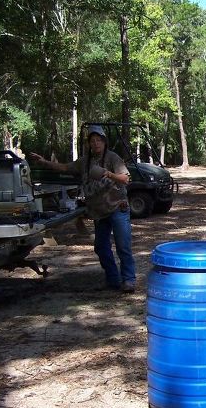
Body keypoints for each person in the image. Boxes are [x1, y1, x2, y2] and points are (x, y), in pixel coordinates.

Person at [30, 125, 136, 292]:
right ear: (89, 144)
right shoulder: (84, 161)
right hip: (99, 212)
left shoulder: (113, 158)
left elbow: (125, 179)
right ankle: (113, 279)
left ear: (104, 142)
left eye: (99, 140)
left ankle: (129, 280)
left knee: (123, 246)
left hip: (117, 207)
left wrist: (109, 174)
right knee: (101, 247)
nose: (96, 144)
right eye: (92, 141)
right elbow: (64, 167)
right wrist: (44, 162)